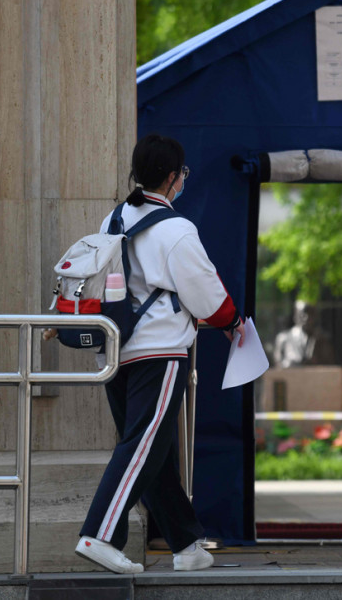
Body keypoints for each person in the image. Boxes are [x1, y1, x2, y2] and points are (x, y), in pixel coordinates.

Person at [75, 134, 245, 574]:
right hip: (160, 350)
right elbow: (209, 295)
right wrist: (233, 323)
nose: (183, 180)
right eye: (182, 173)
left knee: (155, 449)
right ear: (172, 178)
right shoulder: (176, 229)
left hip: (115, 350)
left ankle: (186, 545)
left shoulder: (112, 219)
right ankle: (99, 535)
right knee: (142, 447)